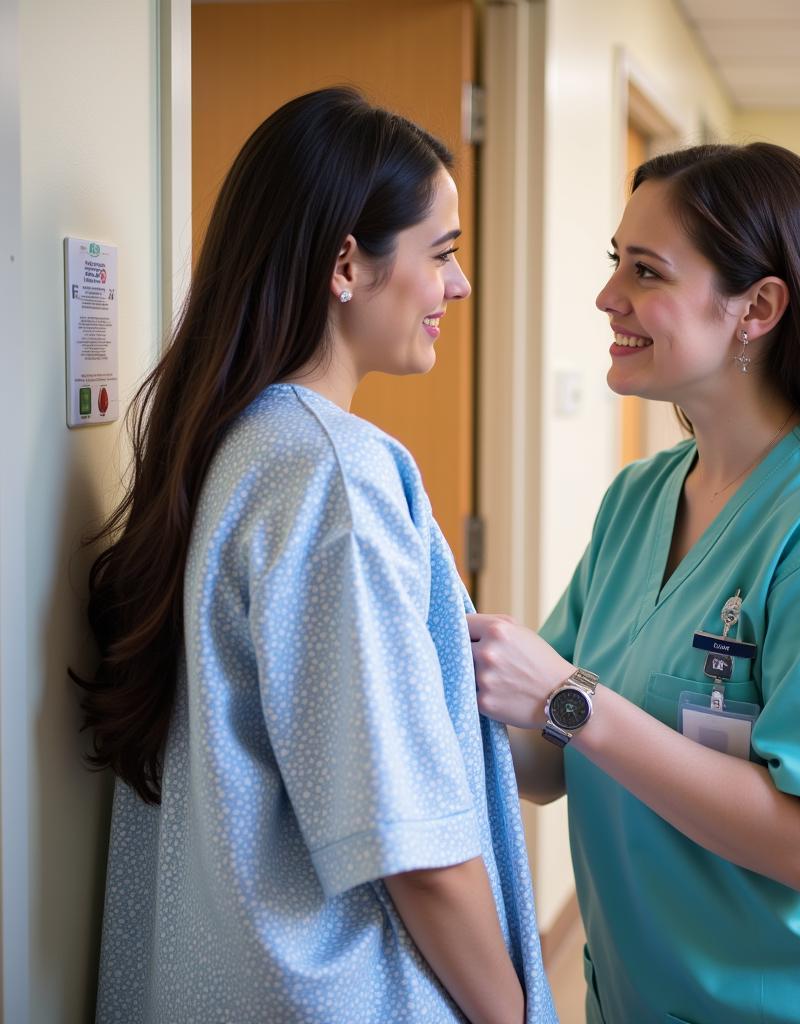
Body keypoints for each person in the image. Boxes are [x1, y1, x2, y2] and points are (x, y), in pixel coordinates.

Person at [470, 143, 800, 1024]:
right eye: (615, 264)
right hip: (657, 991)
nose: (609, 297)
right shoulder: (639, 501)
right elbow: (542, 759)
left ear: (757, 307)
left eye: (646, 272)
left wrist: (570, 699)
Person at [73, 87, 555, 1024]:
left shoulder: (229, 443)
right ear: (346, 263)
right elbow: (409, 842)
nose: (458, 286)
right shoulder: (336, 475)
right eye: (443, 254)